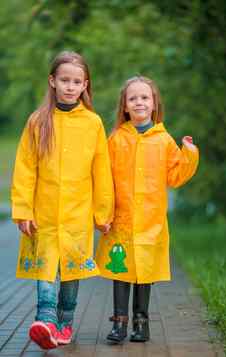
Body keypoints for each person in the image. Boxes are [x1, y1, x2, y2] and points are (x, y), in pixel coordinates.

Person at [11, 51, 113, 350]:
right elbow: (25, 169)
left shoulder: (93, 123)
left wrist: (103, 213)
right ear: (52, 81)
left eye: (76, 81)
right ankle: (45, 321)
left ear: (85, 86)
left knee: (71, 272)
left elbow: (101, 171)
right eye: (64, 80)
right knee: (44, 268)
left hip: (77, 215)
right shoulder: (38, 121)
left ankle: (65, 323)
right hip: (43, 214)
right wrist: (22, 209)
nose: (70, 86)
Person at [96, 76, 199, 343]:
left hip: (151, 223)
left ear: (154, 104)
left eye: (144, 97)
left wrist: (189, 154)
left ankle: (142, 324)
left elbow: (175, 177)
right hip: (122, 221)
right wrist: (103, 215)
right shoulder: (116, 139)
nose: (139, 102)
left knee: (144, 274)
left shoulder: (164, 140)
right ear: (125, 106)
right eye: (133, 98)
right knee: (121, 271)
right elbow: (104, 179)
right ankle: (119, 323)